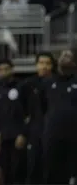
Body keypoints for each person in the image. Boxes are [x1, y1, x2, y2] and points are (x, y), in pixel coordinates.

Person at [0, 59, 27, 184]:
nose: (4, 72)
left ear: (12, 70)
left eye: (6, 69)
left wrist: (23, 133)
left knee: (19, 169)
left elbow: (27, 113)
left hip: (17, 136)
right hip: (3, 137)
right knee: (4, 170)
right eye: (0, 70)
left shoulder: (21, 87)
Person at [42, 50, 77, 184]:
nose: (66, 59)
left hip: (74, 136)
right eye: (63, 56)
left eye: (69, 57)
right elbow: (42, 106)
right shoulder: (48, 83)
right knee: (52, 172)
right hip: (53, 135)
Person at [19, 52, 55, 184]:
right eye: (41, 63)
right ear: (36, 65)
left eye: (47, 63)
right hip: (34, 131)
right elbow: (21, 109)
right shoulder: (28, 84)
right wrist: (23, 131)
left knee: (50, 166)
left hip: (52, 132)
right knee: (33, 165)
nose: (44, 66)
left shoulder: (57, 83)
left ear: (52, 66)